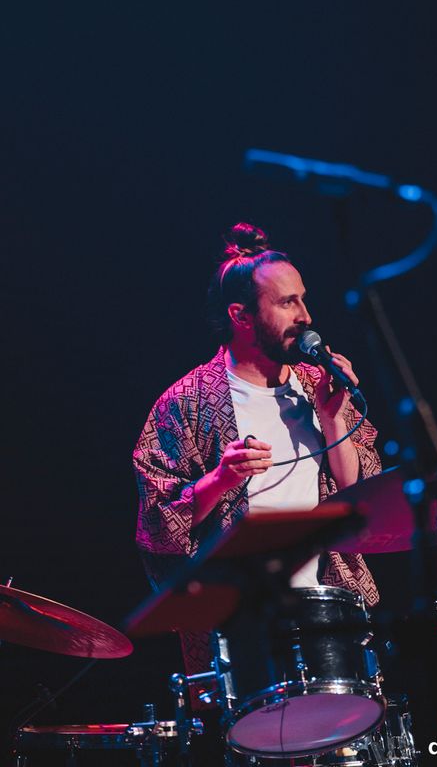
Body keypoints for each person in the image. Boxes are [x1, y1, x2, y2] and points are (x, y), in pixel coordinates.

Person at [134, 222, 382, 695]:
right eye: (287, 303)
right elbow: (156, 525)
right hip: (239, 625)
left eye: (303, 299)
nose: (306, 316)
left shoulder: (317, 385)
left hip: (325, 611)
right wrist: (220, 479)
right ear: (241, 316)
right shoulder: (186, 402)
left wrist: (334, 419)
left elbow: (361, 498)